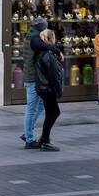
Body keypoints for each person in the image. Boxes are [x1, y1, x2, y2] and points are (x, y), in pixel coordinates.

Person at [31, 29, 64, 152]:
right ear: (51, 39)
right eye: (54, 38)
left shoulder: (40, 52)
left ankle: (44, 139)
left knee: (51, 113)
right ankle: (45, 141)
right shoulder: (47, 54)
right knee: (54, 112)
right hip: (47, 88)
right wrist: (58, 89)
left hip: (42, 87)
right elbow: (52, 75)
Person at [21, 17, 50, 145]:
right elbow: (46, 47)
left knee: (41, 106)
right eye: (45, 28)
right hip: (33, 78)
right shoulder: (35, 39)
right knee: (31, 108)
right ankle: (29, 138)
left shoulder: (30, 36)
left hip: (31, 77)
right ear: (41, 29)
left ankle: (27, 131)